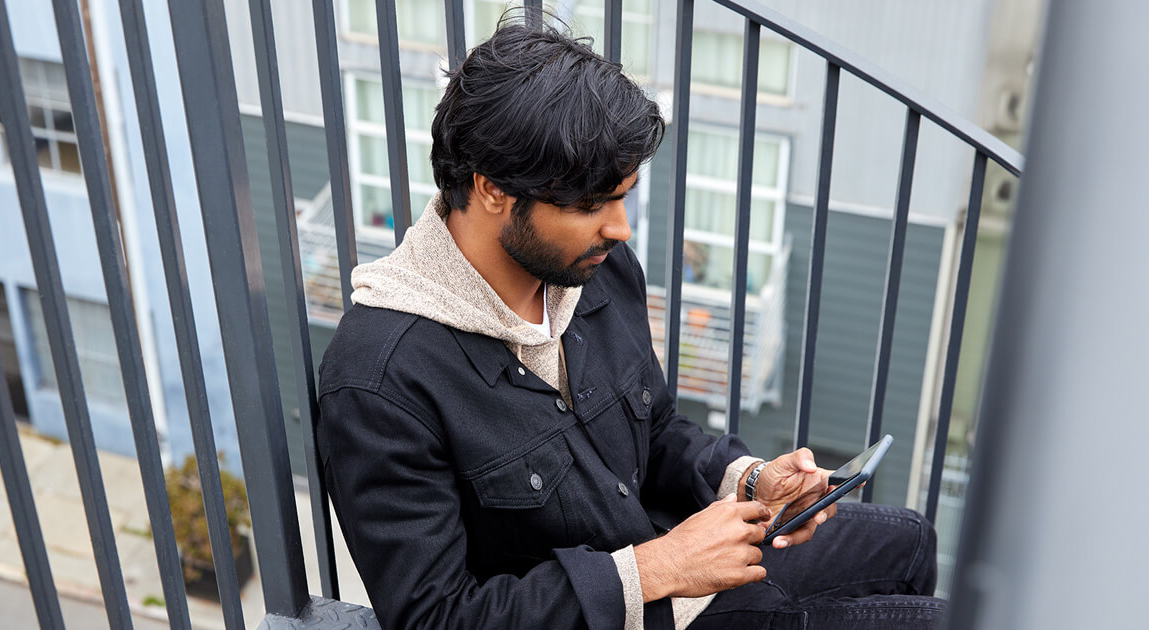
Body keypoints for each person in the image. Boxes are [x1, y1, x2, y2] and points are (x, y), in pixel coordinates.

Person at [317, 16, 946, 630]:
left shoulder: (594, 271)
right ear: (491, 189)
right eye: (592, 204)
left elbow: (659, 430)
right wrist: (658, 568)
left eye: (623, 196)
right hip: (640, 602)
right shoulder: (380, 379)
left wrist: (751, 481)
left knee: (912, 541)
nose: (618, 229)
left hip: (682, 562)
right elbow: (437, 616)